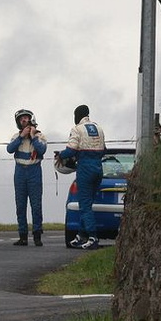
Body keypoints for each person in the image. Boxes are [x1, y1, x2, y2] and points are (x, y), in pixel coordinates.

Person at [56, 104, 105, 250]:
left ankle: (92, 237)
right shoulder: (99, 128)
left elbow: (71, 149)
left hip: (85, 168)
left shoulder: (77, 129)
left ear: (77, 116)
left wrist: (60, 155)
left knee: (84, 205)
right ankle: (80, 235)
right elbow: (104, 149)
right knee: (88, 203)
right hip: (98, 168)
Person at [6, 109, 48, 246]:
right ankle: (22, 236)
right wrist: (21, 137)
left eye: (26, 118)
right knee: (20, 205)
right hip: (20, 171)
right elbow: (9, 149)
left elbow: (41, 150)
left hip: (34, 170)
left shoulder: (40, 136)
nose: (24, 121)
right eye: (21, 119)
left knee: (36, 204)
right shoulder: (16, 136)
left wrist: (32, 136)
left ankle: (37, 235)